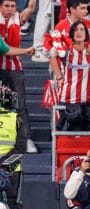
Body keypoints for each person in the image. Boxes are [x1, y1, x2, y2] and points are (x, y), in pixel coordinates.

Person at [53, 21, 90, 131]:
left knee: (87, 129)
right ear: (71, 33)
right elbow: (51, 54)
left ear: (86, 33)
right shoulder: (66, 49)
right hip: (69, 98)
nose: (78, 32)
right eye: (76, 30)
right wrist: (59, 77)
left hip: (89, 98)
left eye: (82, 29)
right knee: (75, 127)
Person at [0, 0, 37, 153]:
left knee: (20, 105)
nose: (10, 9)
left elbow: (31, 8)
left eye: (12, 6)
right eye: (6, 6)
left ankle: (26, 139)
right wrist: (26, 50)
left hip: (16, 69)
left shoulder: (17, 18)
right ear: (0, 7)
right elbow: (5, 50)